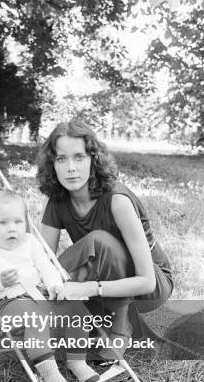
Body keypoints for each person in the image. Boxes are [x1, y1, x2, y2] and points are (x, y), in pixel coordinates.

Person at [36, 120, 174, 362]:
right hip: (103, 276)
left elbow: (147, 282)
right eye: (61, 159)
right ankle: (46, 307)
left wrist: (87, 288)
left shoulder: (117, 201)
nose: (71, 168)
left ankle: (122, 327)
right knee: (49, 279)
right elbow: (43, 257)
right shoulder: (57, 201)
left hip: (150, 285)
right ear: (52, 165)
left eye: (79, 157)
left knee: (99, 242)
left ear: (93, 160)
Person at [0, 188, 101, 382]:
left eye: (18, 222)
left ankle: (77, 362)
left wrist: (54, 286)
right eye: (3, 223)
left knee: (78, 311)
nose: (12, 228)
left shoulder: (30, 242)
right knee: (35, 319)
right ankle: (51, 376)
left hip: (41, 295)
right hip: (9, 303)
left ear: (26, 224)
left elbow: (46, 267)